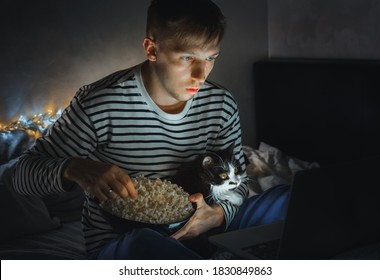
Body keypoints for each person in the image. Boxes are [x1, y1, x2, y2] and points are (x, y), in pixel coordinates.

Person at [13, 0, 289, 259]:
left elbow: (237, 186)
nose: (201, 75)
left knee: (287, 199)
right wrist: (72, 168)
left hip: (205, 227)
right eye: (186, 58)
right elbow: (19, 174)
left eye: (210, 57)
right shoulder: (100, 102)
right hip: (128, 241)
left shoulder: (221, 103)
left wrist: (218, 214)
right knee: (144, 242)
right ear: (152, 49)